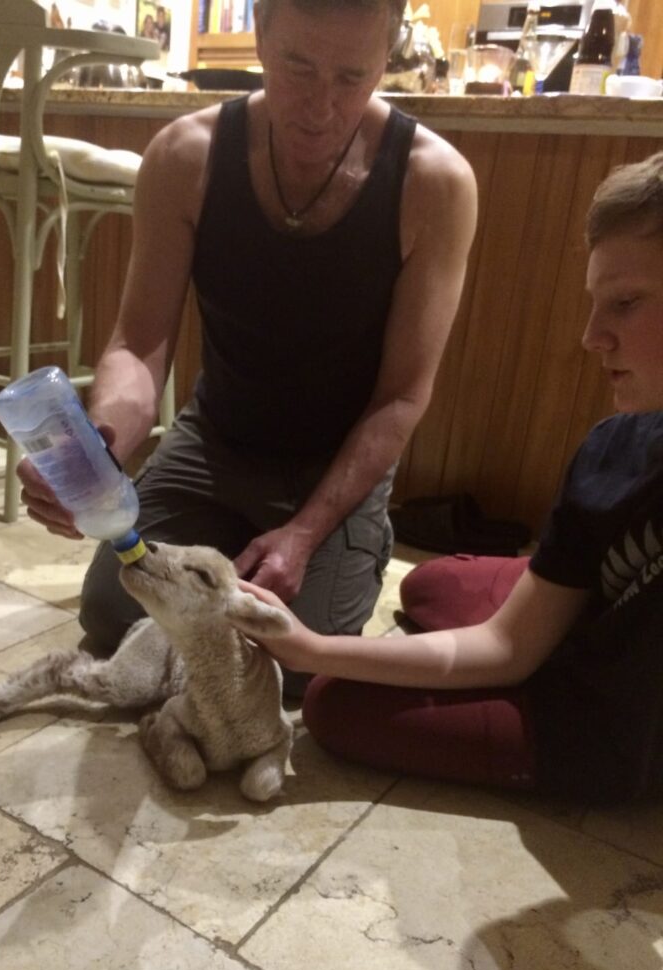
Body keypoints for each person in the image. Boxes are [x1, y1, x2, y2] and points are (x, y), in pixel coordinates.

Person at [18, 0, 477, 695]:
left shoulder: (434, 183)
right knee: (112, 610)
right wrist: (104, 442)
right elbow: (140, 344)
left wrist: (305, 533)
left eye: (352, 77)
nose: (320, 108)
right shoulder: (186, 155)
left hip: (337, 461)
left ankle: (355, 538)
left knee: (292, 663)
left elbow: (402, 398)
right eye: (298, 66)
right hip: (215, 441)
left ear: (386, 61)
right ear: (259, 38)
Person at [240, 150, 663, 802]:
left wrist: (314, 654)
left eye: (627, 304)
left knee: (334, 707)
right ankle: (561, 618)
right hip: (593, 622)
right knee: (433, 582)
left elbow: (507, 653)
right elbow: (507, 644)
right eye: (594, 304)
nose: (591, 337)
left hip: (608, 725)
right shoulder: (615, 445)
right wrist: (306, 643)